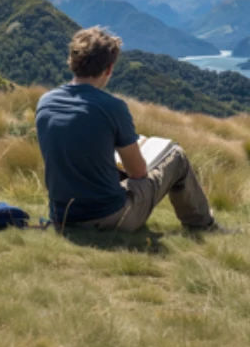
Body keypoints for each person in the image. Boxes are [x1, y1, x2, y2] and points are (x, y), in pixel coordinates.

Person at [34, 26, 215, 233]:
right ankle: (202, 226)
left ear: (72, 62)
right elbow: (138, 173)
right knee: (177, 156)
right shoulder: (112, 107)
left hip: (62, 216)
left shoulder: (45, 102)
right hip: (109, 217)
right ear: (109, 69)